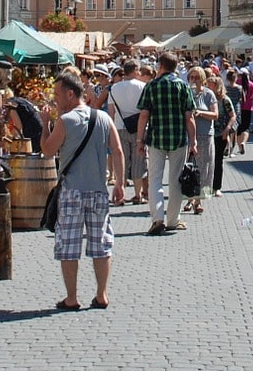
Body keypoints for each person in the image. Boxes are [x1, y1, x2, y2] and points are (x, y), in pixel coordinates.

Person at [39, 71, 125, 310]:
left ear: (70, 94)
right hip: (98, 190)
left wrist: (45, 125)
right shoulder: (104, 118)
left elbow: (47, 151)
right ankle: (102, 294)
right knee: (101, 243)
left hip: (72, 191)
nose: (55, 99)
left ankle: (72, 297)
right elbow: (117, 151)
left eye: (57, 94)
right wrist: (119, 183)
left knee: (68, 244)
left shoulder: (65, 122)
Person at [135, 52, 196, 235]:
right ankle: (173, 220)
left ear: (160, 66)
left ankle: (157, 219)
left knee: (155, 179)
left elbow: (144, 115)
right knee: (176, 180)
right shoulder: (183, 86)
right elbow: (189, 117)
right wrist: (193, 141)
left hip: (157, 138)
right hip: (178, 138)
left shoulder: (151, 86)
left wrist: (140, 140)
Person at [107, 59, 149, 204]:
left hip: (119, 127)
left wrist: (110, 132)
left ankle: (121, 194)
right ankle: (138, 194)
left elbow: (111, 112)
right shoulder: (143, 86)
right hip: (140, 128)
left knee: (122, 160)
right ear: (136, 70)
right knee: (139, 161)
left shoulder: (114, 88)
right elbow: (147, 111)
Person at [184, 65, 217, 216]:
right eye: (192, 77)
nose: (194, 80)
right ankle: (189, 197)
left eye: (197, 77)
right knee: (188, 169)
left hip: (205, 135)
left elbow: (215, 114)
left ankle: (199, 201)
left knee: (204, 169)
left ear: (203, 79)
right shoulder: (186, 93)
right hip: (188, 136)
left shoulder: (209, 94)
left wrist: (201, 113)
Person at [210, 71, 237, 195]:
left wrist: (227, 129)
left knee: (218, 160)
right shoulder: (207, 98)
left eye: (211, 85)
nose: (208, 87)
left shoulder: (224, 100)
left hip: (220, 133)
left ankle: (217, 187)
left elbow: (232, 116)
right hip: (208, 133)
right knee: (208, 161)